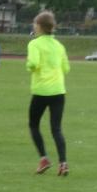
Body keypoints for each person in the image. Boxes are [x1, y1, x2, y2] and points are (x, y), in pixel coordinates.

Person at [27, 11, 71, 176]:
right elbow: (66, 68)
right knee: (56, 128)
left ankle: (44, 158)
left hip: (41, 90)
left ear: (39, 26)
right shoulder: (59, 46)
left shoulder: (34, 44)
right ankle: (63, 163)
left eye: (35, 24)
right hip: (58, 91)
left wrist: (29, 66)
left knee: (34, 125)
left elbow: (33, 63)